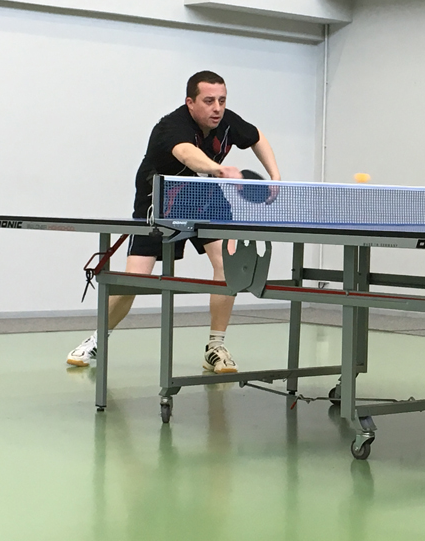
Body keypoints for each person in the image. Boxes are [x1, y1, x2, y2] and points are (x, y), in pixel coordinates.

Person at [66, 70, 281, 374]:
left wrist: (275, 176)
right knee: (132, 280)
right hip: (160, 200)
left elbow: (256, 136)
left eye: (222, 100)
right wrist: (219, 170)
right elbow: (186, 153)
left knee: (227, 265)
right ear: (190, 102)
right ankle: (98, 338)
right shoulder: (171, 126)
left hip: (205, 197)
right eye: (209, 101)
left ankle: (215, 346)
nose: (217, 108)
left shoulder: (227, 121)